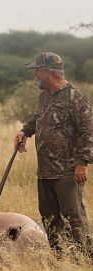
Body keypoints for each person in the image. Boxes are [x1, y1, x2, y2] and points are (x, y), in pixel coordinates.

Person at [14, 52, 93, 259]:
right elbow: (37, 119)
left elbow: (88, 131)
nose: (35, 76)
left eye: (37, 71)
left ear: (48, 72)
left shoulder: (75, 97)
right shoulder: (44, 96)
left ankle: (83, 261)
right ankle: (61, 260)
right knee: (49, 218)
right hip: (45, 172)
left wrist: (82, 163)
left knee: (73, 218)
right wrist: (24, 131)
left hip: (68, 172)